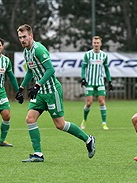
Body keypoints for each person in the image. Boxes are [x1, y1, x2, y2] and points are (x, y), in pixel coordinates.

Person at [15, 24, 95, 162]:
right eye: (20, 37)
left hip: (52, 91)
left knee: (60, 124)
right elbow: (30, 70)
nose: (22, 40)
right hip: (40, 93)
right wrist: (21, 88)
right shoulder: (26, 52)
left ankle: (88, 139)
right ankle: (38, 154)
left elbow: (51, 70)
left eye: (24, 37)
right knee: (30, 119)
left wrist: (37, 85)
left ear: (31, 36)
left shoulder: (39, 49)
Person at [80, 36, 114, 130]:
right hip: (90, 82)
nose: (96, 44)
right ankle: (84, 120)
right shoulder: (88, 55)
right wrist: (83, 78)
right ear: (92, 44)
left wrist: (109, 81)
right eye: (94, 43)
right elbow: (83, 67)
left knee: (102, 102)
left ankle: (104, 123)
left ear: (100, 44)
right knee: (89, 103)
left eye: (97, 43)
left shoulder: (104, 55)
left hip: (100, 83)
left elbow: (106, 69)